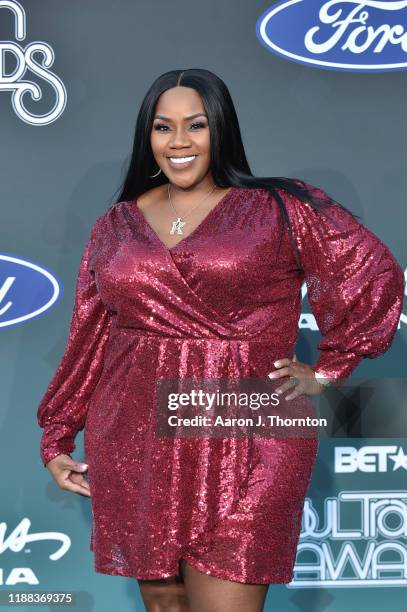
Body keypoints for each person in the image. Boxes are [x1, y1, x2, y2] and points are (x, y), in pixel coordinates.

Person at [37, 68, 404, 612]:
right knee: (165, 605)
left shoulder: (281, 208)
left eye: (196, 125)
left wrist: (327, 370)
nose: (179, 141)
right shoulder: (115, 224)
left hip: (247, 425)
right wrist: (58, 434)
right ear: (148, 136)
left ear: (222, 130)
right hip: (136, 428)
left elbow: (373, 275)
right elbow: (92, 334)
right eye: (164, 127)